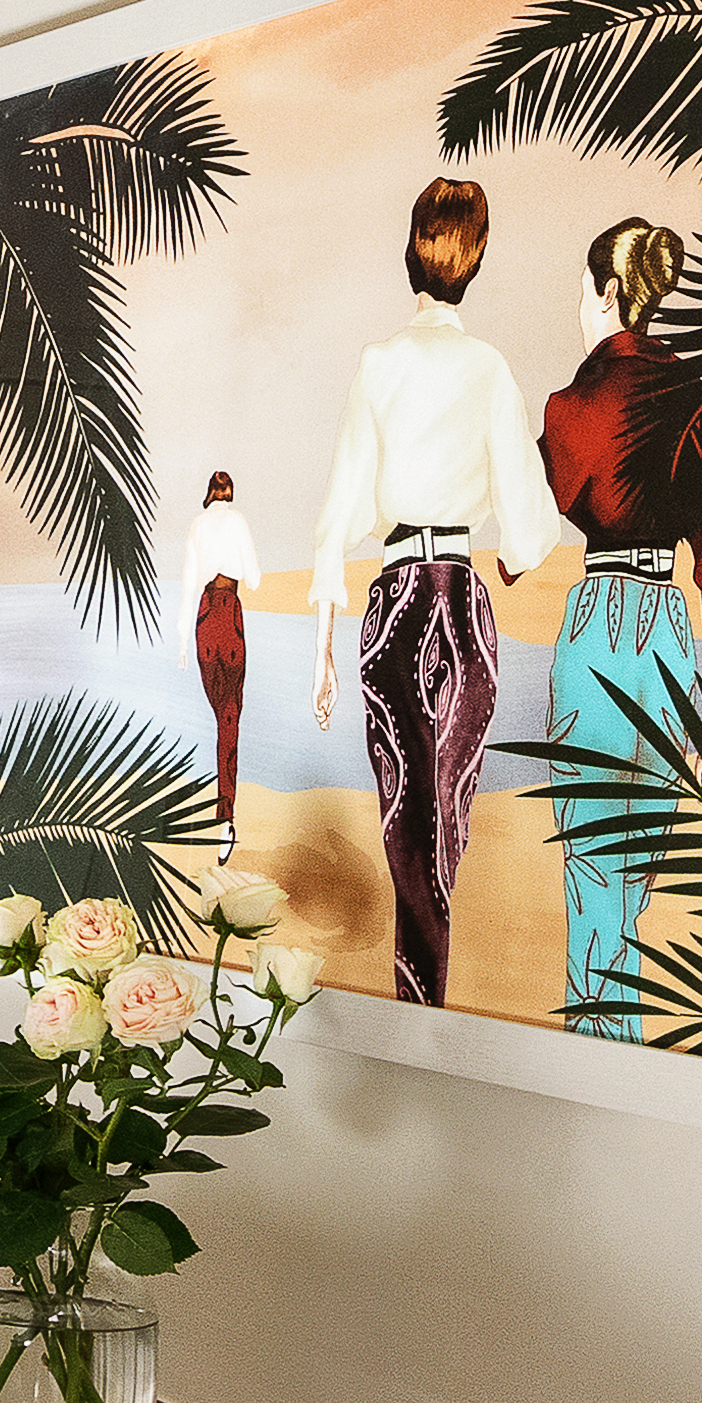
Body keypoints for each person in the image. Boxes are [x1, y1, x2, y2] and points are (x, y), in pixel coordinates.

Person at [306, 173, 568, 1010]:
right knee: (442, 825)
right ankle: (427, 1019)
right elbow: (530, 529)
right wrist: (513, 563)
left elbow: (336, 515)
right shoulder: (488, 370)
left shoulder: (376, 364)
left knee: (405, 831)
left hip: (392, 607)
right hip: (461, 604)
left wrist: (319, 653)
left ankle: (417, 1016)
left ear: (410, 251)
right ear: (475, 258)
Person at [540, 213, 702, 1042]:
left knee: (593, 867)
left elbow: (531, 527)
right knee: (634, 871)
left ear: (608, 293)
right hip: (667, 631)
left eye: (583, 295)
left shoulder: (570, 404)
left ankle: (601, 1061)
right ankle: (618, 1051)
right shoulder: (692, 393)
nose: (579, 310)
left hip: (596, 626)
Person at [185, 467, 262, 834]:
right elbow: (256, 578)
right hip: (228, 611)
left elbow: (188, 583)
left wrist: (180, 642)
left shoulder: (198, 524)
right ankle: (225, 817)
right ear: (229, 492)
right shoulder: (237, 521)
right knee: (230, 718)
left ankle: (224, 814)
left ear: (209, 493)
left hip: (203, 618)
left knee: (221, 716)